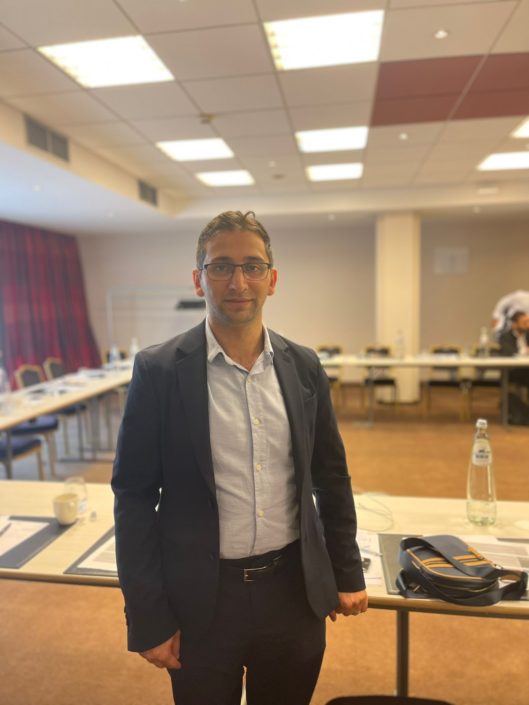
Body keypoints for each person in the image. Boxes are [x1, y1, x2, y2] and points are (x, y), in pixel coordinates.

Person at [112, 211, 368, 705]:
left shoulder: (304, 366)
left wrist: (347, 569)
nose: (238, 282)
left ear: (272, 279)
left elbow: (331, 476)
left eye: (252, 266)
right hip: (201, 600)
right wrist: (147, 614)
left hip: (294, 594)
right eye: (221, 267)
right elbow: (134, 497)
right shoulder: (159, 371)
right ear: (198, 279)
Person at [498, 310, 529, 388]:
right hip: (513, 370)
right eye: (524, 323)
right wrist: (525, 351)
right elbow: (510, 352)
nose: (527, 325)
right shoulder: (505, 337)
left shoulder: (528, 334)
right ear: (514, 324)